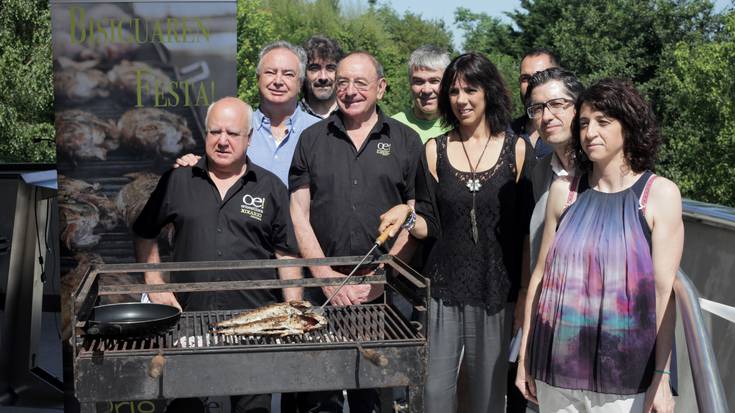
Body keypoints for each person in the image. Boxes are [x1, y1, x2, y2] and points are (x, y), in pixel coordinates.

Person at [379, 52, 534, 413]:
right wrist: (406, 213)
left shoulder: (518, 150)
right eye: (454, 91)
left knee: (487, 399)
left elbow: (528, 233)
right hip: (443, 289)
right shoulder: (434, 149)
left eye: (470, 89)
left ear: (489, 92)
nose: (461, 99)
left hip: (497, 290)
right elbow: (429, 225)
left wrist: (525, 293)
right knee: (433, 395)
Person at [516, 79, 683, 413]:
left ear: (629, 127)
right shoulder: (564, 192)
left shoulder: (658, 194)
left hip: (624, 377)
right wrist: (524, 358)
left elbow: (665, 296)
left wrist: (662, 377)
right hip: (554, 371)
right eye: (584, 123)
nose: (590, 132)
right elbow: (539, 279)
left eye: (603, 122)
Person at [133, 97, 302, 413]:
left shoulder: (270, 187)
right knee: (186, 406)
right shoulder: (177, 180)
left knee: (252, 407)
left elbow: (286, 255)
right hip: (189, 323)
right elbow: (145, 232)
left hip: (254, 326)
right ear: (206, 135)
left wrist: (291, 312)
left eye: (233, 133)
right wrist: (155, 283)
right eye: (215, 132)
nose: (223, 141)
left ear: (248, 139)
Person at [289, 51, 423, 413]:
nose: (349, 91)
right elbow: (298, 212)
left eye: (360, 83)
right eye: (342, 82)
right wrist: (324, 277)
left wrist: (383, 276)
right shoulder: (312, 139)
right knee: (320, 394)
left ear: (380, 87)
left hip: (383, 294)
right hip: (323, 292)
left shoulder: (406, 141)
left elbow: (414, 215)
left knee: (376, 394)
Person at [176, 41, 319, 187]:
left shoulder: (319, 132)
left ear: (300, 83)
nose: (278, 81)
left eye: (288, 74)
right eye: (270, 72)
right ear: (258, 79)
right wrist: (194, 163)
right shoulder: (235, 130)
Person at [392, 45, 451, 142]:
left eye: (434, 81)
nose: (426, 90)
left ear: (448, 83)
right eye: (419, 81)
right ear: (410, 84)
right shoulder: (393, 127)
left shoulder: (461, 126)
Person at [510, 49, 560, 159]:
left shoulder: (575, 132)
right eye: (525, 78)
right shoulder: (506, 133)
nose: (531, 84)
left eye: (540, 76)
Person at [300, 35, 343, 119]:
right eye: (314, 68)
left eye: (330, 68)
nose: (323, 77)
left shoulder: (353, 116)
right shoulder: (289, 118)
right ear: (303, 73)